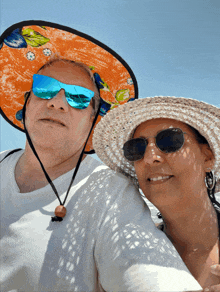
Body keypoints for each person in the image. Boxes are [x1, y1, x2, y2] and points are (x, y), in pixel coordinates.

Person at [0, 21, 202, 291]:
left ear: (93, 122)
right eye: (44, 87)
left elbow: (146, 268)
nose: (57, 102)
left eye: (79, 98)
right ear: (27, 102)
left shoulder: (110, 192)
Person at [93, 95, 220, 290]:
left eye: (170, 141)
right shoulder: (119, 262)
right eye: (137, 148)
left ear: (208, 157)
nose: (150, 157)